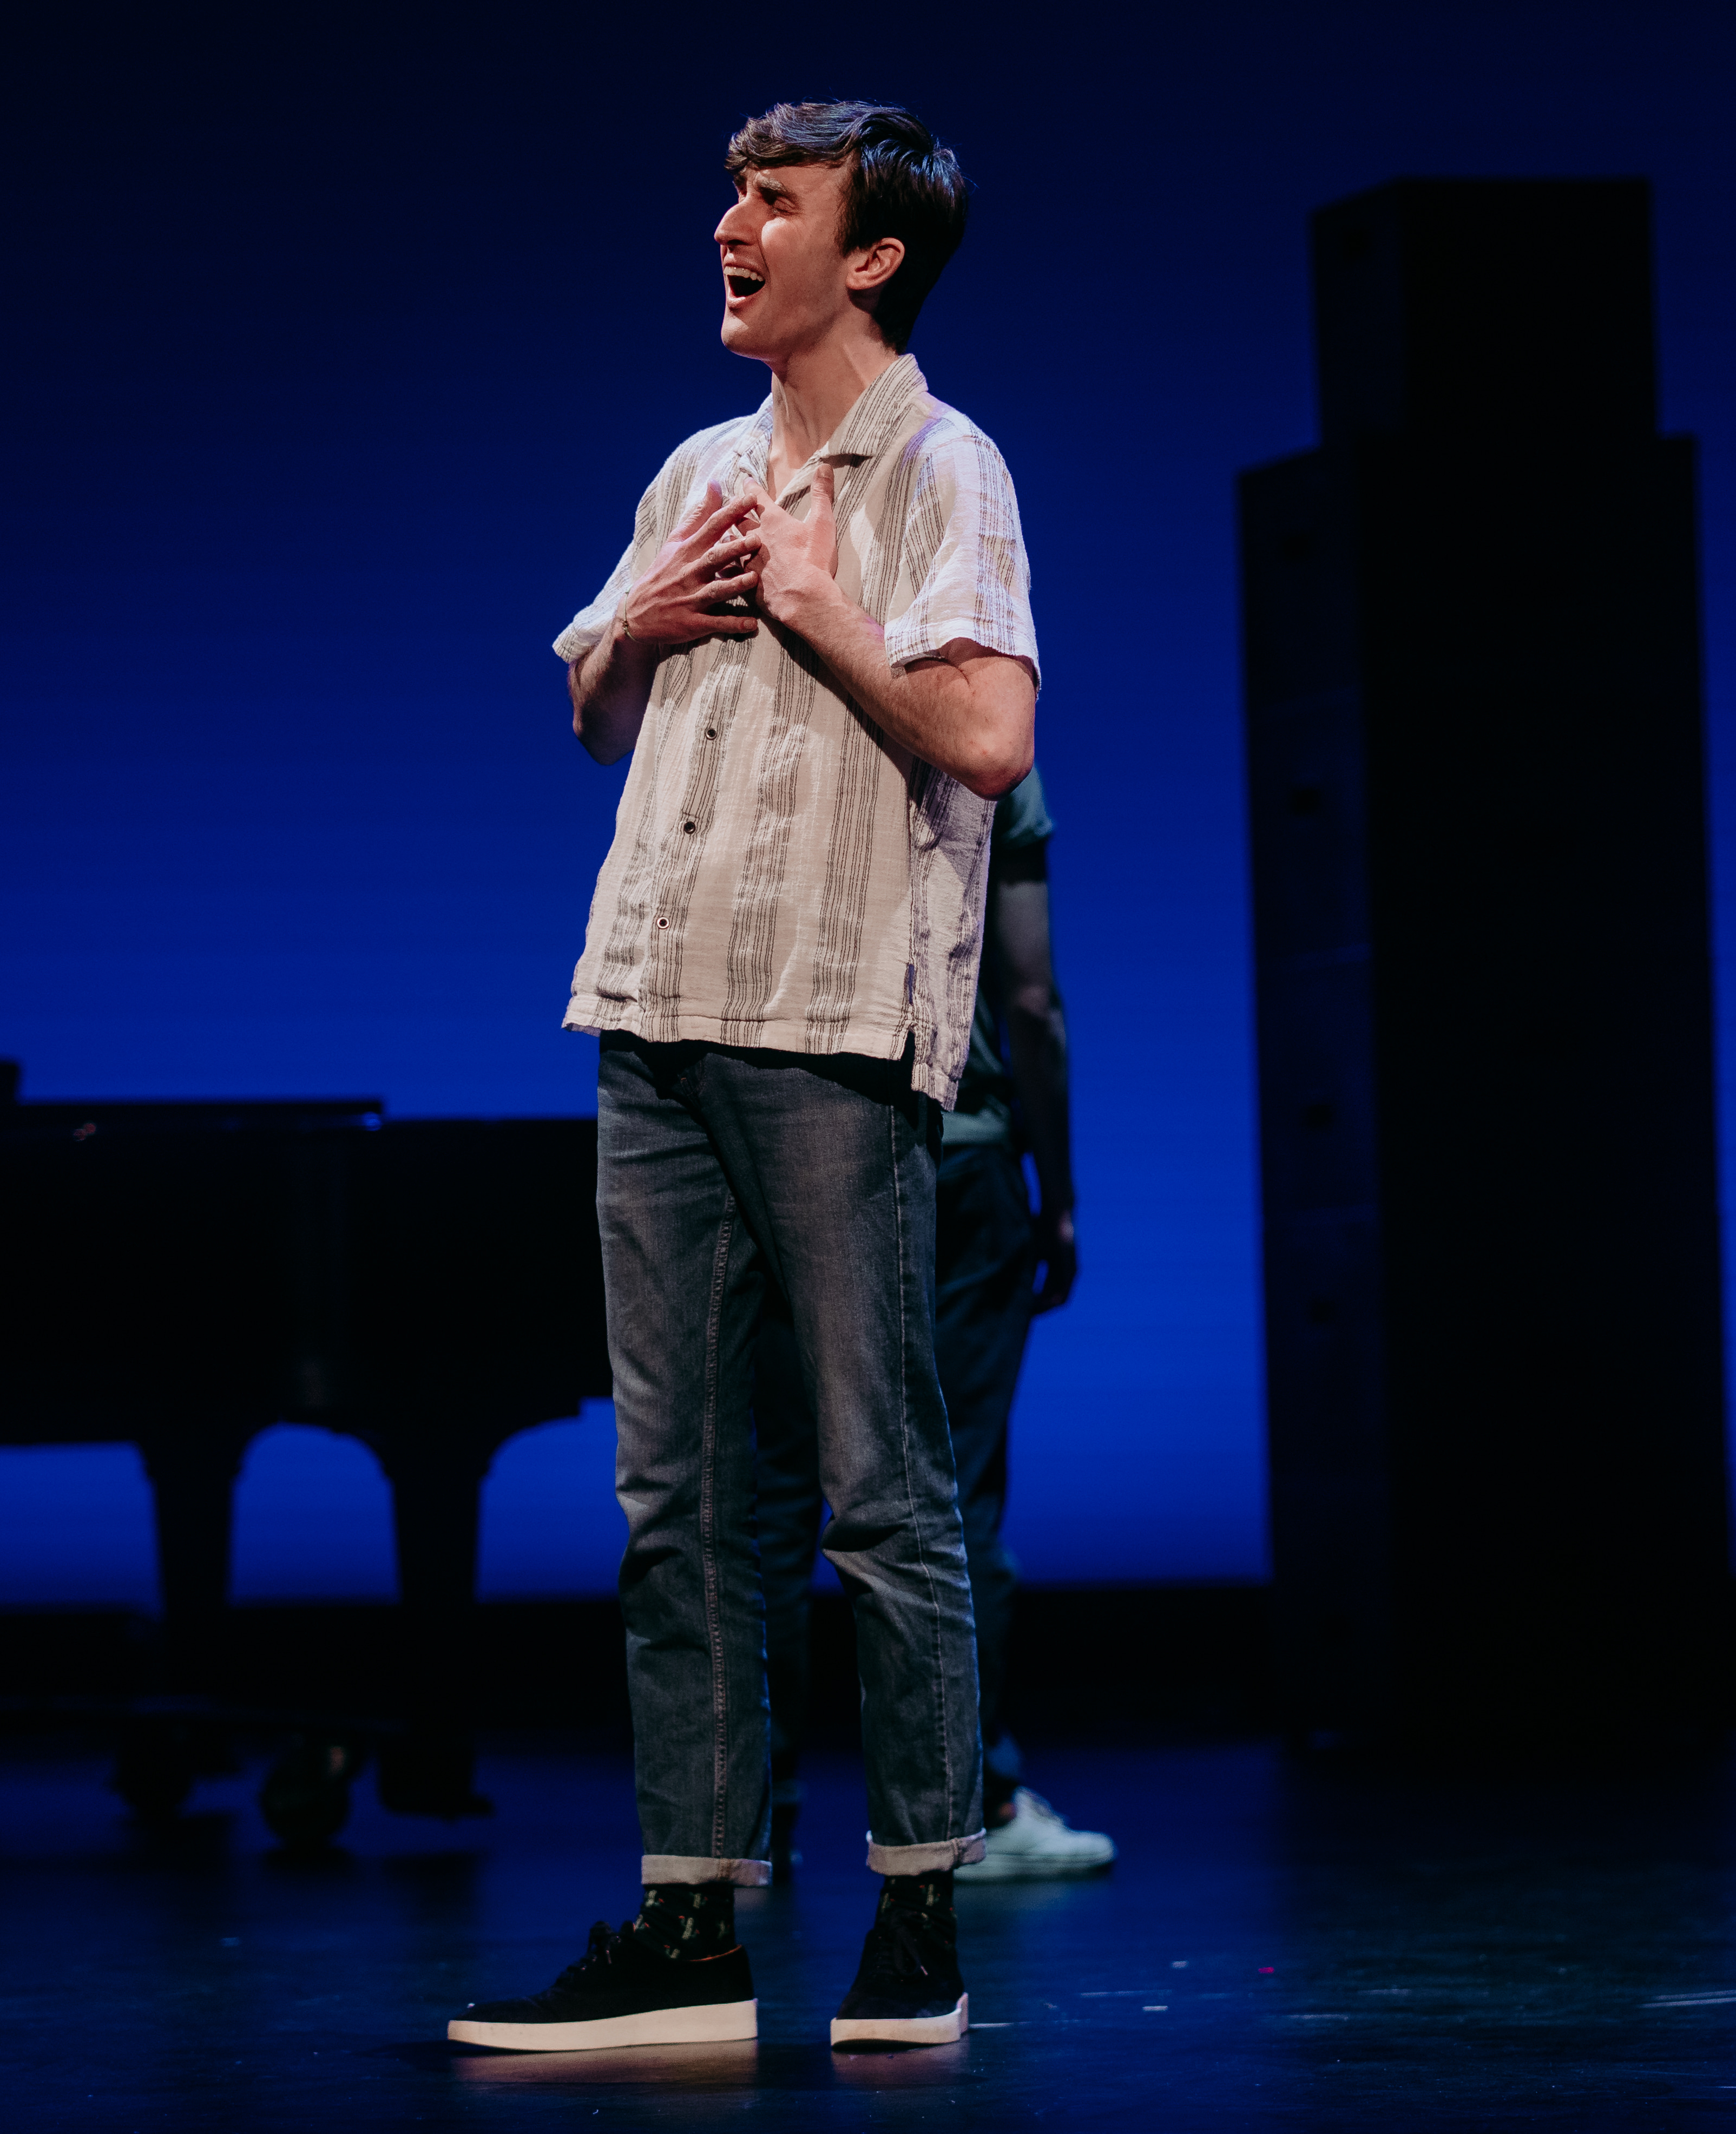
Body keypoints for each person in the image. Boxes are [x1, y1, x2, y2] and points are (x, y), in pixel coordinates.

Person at [446, 100, 1036, 2054]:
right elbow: (593, 711)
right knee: (675, 1500)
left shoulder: (943, 467)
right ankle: (689, 1924)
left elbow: (986, 734)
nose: (730, 227)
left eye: (773, 203)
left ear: (867, 257)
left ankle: (918, 1914)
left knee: (880, 1490)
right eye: (731, 197)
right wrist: (638, 624)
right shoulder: (698, 466)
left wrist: (814, 602)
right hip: (654, 1009)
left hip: (827, 1029)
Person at [751, 766, 1115, 1882]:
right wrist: (1059, 1192)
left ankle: (751, 1816)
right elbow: (1031, 1000)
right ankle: (971, 1806)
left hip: (792, 1144)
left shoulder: (783, 722)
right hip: (957, 1159)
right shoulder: (986, 730)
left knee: (776, 1498)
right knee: (950, 1492)